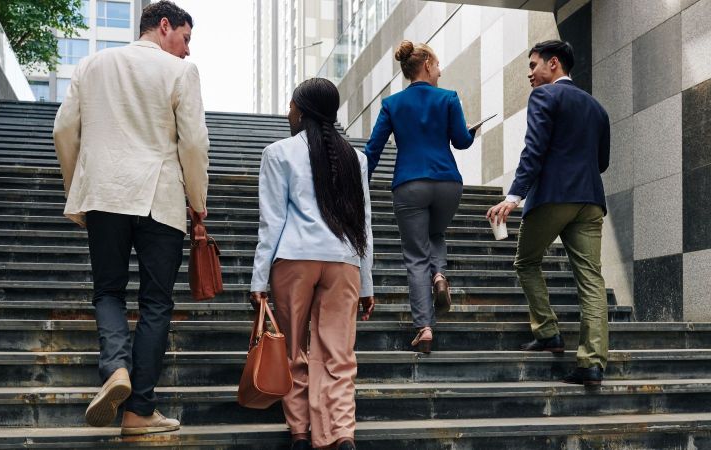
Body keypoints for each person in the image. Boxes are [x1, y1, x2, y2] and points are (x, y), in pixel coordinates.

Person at [53, 1, 209, 434]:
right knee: (156, 303)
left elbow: (63, 130)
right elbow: (194, 143)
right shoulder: (180, 73)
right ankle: (139, 411)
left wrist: (78, 187)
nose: (187, 50)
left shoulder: (91, 65)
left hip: (104, 195)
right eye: (186, 38)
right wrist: (198, 203)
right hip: (159, 198)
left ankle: (116, 368)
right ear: (164, 26)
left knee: (108, 292)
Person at [249, 78, 375, 450]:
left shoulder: (278, 153)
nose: (288, 112)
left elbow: (271, 221)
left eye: (290, 106)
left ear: (300, 111)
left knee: (294, 351)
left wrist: (259, 279)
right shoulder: (358, 157)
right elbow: (364, 224)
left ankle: (301, 434)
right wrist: (366, 284)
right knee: (339, 355)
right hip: (344, 263)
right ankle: (341, 434)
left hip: (294, 260)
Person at [486, 40, 611, 386]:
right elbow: (602, 162)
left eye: (532, 65)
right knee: (591, 280)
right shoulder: (597, 108)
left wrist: (513, 197)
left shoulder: (544, 97)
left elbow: (534, 150)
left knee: (526, 262)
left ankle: (548, 331)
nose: (529, 74)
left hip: (554, 196)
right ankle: (592, 363)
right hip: (590, 200)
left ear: (553, 64)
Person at [363, 40, 478, 353]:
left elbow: (372, 150)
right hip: (447, 183)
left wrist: (360, 184)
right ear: (427, 64)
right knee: (436, 233)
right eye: (438, 65)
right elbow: (462, 141)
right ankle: (439, 273)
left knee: (415, 257)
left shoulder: (392, 104)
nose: (440, 71)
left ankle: (424, 328)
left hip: (409, 183)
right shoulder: (448, 98)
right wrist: (472, 131)